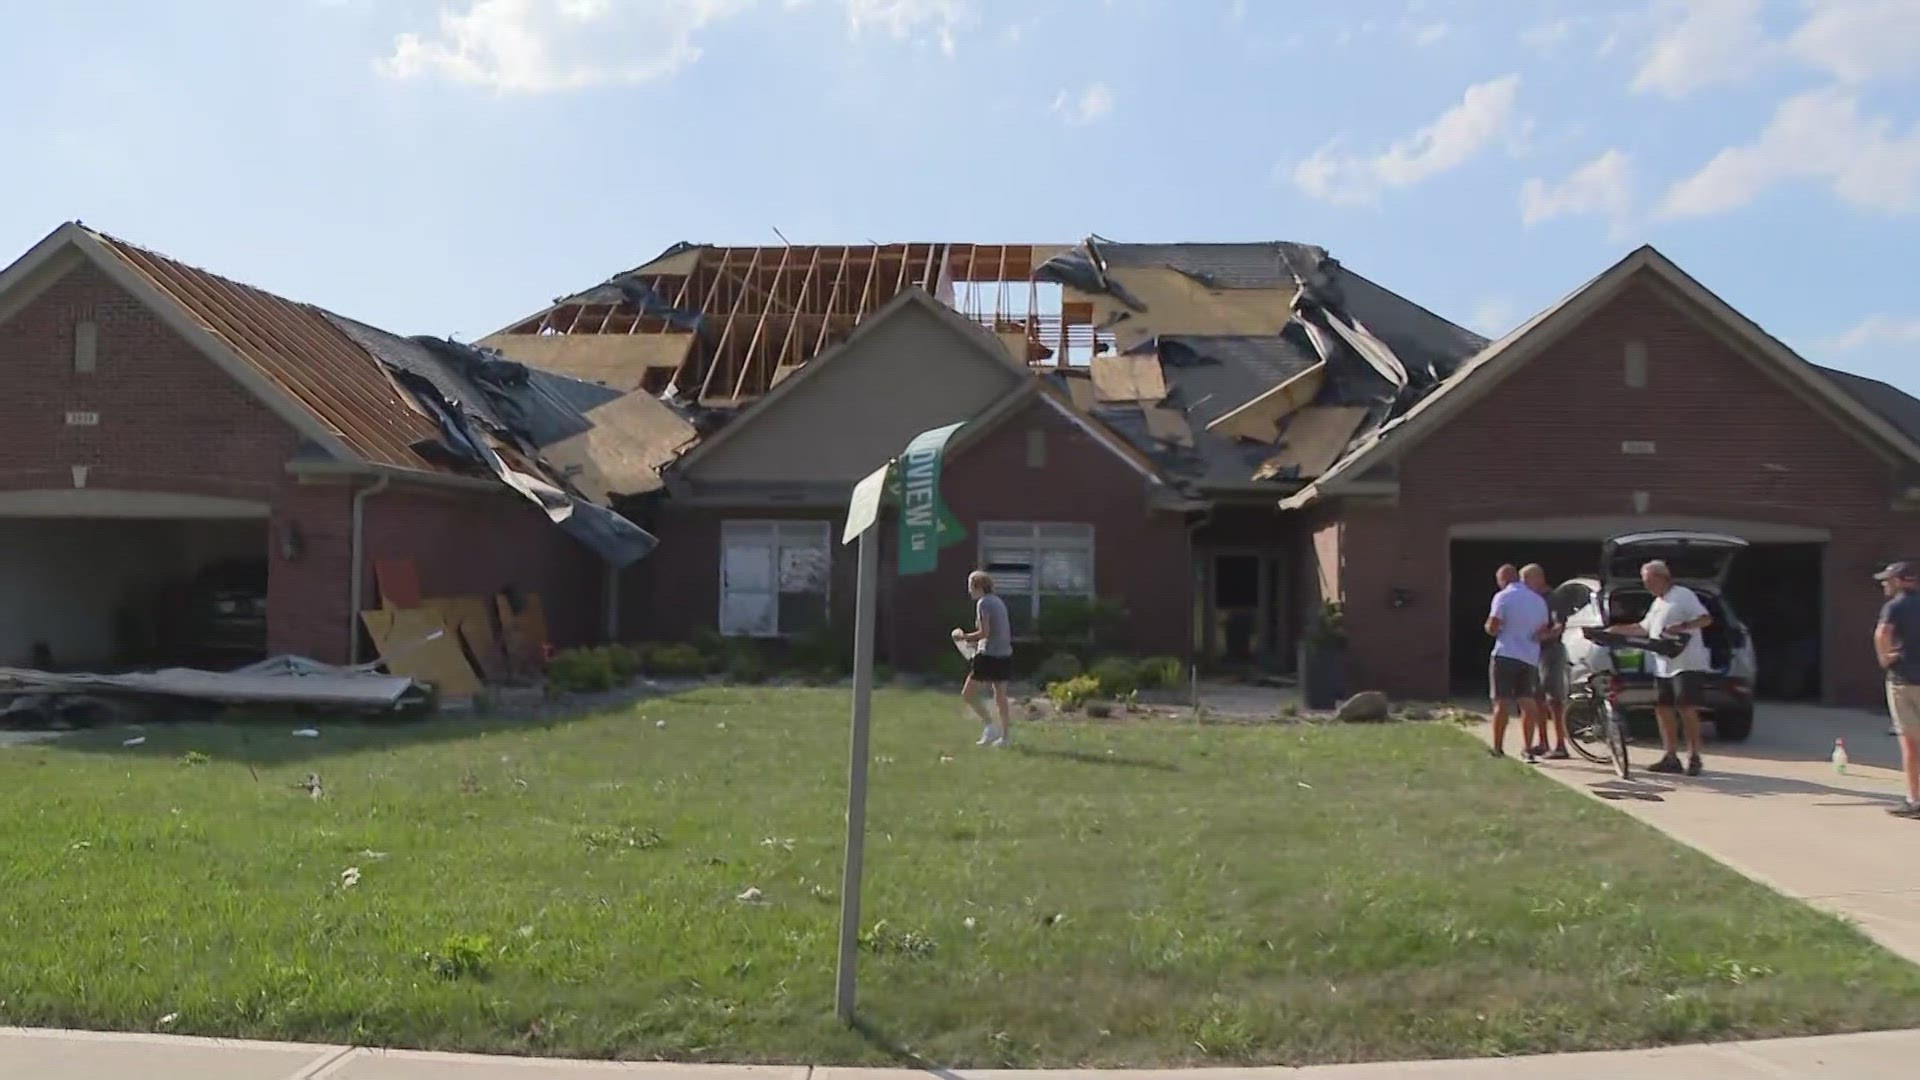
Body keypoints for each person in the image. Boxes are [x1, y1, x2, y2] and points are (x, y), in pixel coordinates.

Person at [1616, 559, 1712, 776]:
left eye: (1648, 580)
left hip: (1686, 663)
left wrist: (1684, 626)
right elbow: (1642, 628)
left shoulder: (1682, 595)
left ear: (1662, 577)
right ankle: (1670, 757)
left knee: (1686, 708)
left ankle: (1694, 756)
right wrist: (1616, 630)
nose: (1646, 586)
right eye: (1644, 581)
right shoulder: (1658, 602)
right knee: (1662, 708)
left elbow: (1705, 619)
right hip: (1663, 665)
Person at [1486, 563, 1550, 763]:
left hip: (1505, 654)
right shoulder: (1540, 602)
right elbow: (1541, 632)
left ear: (1503, 580)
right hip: (1529, 658)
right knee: (1527, 702)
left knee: (1501, 702)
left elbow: (1493, 626)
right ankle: (1528, 748)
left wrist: (1490, 627)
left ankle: (1497, 748)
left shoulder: (1503, 596)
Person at [1873, 562, 1920, 818]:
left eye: (1887, 580)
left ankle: (1915, 800)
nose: (1883, 584)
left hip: (1904, 681)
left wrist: (1885, 658)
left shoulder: (1895, 605)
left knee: (1910, 744)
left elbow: (1882, 633)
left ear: (1901, 580)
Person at [953, 570, 1014, 748]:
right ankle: (1006, 738)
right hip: (1005, 653)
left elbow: (984, 633)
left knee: (968, 694)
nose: (969, 591)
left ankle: (990, 726)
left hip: (990, 655)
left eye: (970, 586)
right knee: (1000, 697)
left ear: (978, 586)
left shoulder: (984, 603)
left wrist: (963, 638)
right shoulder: (997, 601)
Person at [1529, 566, 1572, 760]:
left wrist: (1543, 636)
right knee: (1536, 697)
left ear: (1538, 578)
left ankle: (1561, 745)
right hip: (1534, 653)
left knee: (1553, 699)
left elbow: (1558, 626)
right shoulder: (1532, 600)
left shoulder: (1552, 598)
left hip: (1551, 651)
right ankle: (1542, 742)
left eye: (1526, 580)